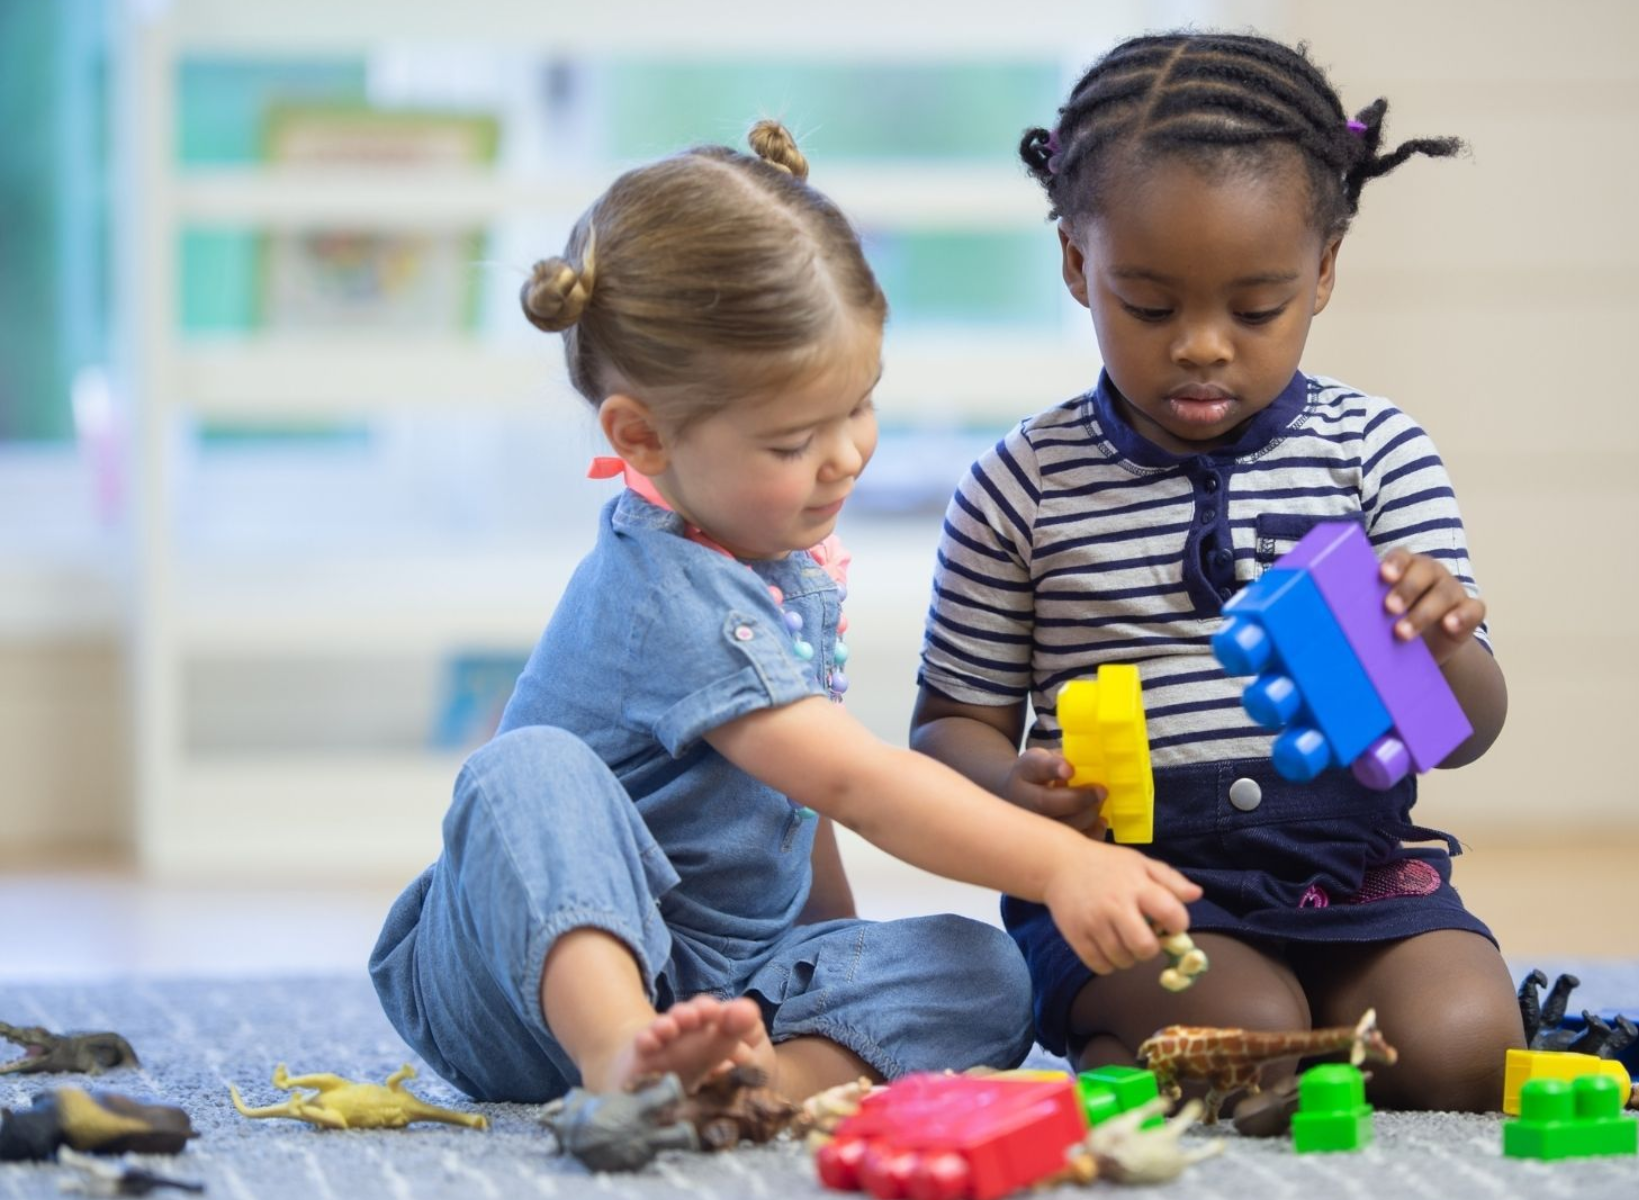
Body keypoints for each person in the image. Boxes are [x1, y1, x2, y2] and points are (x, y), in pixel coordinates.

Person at [369, 120, 1199, 1107]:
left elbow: (797, 806)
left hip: (718, 980)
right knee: (525, 768)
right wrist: (1061, 862)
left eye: (862, 404)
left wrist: (832, 964)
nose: (848, 454)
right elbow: (856, 782)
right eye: (797, 438)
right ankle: (622, 1061)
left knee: (990, 973)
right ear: (643, 434)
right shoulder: (663, 591)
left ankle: (757, 1083)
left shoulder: (778, 562)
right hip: (517, 984)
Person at [910, 33, 1524, 1111]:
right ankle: (1136, 1034)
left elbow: (1464, 733)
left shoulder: (1377, 451)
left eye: (1255, 309)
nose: (1202, 346)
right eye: (1149, 307)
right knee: (1253, 1043)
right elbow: (948, 727)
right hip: (1132, 885)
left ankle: (1289, 1026)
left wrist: (1440, 647)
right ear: (1073, 263)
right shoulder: (1020, 485)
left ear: (1323, 272)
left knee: (1465, 1051)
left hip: (1358, 867)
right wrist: (1014, 791)